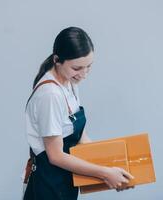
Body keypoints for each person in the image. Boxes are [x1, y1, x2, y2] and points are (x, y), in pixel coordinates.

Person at [23, 27, 134, 200]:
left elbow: (80, 137)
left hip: (66, 178)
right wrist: (104, 173)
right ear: (57, 60)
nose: (83, 75)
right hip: (49, 184)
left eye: (88, 67)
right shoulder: (50, 95)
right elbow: (56, 156)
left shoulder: (70, 83)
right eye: (77, 68)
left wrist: (114, 170)